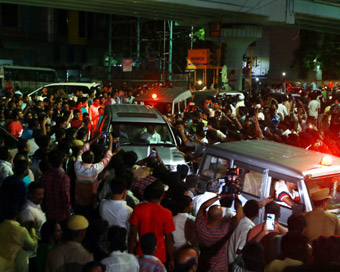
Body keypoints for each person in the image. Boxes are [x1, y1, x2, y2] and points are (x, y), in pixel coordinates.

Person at [129, 181, 175, 270]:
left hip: (141, 251)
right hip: (159, 254)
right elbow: (169, 240)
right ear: (162, 196)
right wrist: (172, 259)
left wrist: (130, 254)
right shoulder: (167, 213)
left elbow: (133, 234)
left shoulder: (138, 208)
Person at [195, 194, 243, 271]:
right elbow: (239, 215)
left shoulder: (199, 226)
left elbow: (203, 206)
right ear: (220, 218)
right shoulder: (224, 230)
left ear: (207, 215)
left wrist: (219, 196)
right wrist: (236, 197)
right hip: (221, 268)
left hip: (204, 266)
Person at [74, 132, 113, 217]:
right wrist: (111, 141)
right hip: (91, 200)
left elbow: (81, 150)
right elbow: (107, 157)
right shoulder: (95, 169)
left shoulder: (77, 166)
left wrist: (96, 138)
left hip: (79, 200)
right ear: (93, 160)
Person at [0, 204, 38, 272]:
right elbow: (33, 246)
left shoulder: (1, 227)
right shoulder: (21, 230)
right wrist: (32, 231)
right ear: (17, 215)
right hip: (16, 267)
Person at [41, 150, 71, 222]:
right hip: (61, 215)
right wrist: (69, 215)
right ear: (62, 160)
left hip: (48, 213)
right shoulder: (64, 177)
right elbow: (65, 198)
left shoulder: (45, 175)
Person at [227, 200, 260, 265]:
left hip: (228, 259)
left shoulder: (239, 221)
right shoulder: (249, 228)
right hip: (235, 264)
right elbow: (240, 250)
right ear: (257, 213)